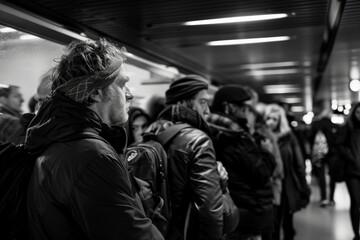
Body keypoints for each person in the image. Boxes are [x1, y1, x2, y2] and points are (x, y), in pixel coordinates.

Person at [25, 39, 163, 240]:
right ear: (97, 92)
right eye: (122, 85)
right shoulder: (92, 156)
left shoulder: (61, 142)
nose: (130, 94)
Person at [145, 75, 224, 240]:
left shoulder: (150, 133)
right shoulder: (197, 140)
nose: (208, 110)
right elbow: (209, 209)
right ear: (181, 103)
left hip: (158, 232)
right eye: (202, 102)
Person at [207, 85, 276, 240]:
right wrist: (267, 152)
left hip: (231, 210)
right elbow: (261, 172)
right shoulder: (236, 136)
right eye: (241, 106)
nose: (245, 111)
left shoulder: (212, 130)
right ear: (228, 107)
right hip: (248, 213)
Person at [264, 104, 310, 240]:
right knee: (273, 224)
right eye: (268, 118)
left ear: (280, 121)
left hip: (287, 184)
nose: (271, 122)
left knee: (287, 222)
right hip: (269, 185)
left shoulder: (289, 137)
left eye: (275, 119)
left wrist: (303, 187)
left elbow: (299, 164)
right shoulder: (260, 137)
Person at [338, 102, 360, 240]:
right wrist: (351, 158)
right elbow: (339, 145)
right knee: (356, 202)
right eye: (358, 112)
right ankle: (356, 234)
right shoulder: (348, 128)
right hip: (352, 171)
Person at [309, 106, 339, 207]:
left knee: (321, 176)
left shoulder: (316, 125)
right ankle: (331, 198)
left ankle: (323, 198)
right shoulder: (334, 125)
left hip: (319, 154)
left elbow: (310, 138)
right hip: (332, 154)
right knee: (332, 176)